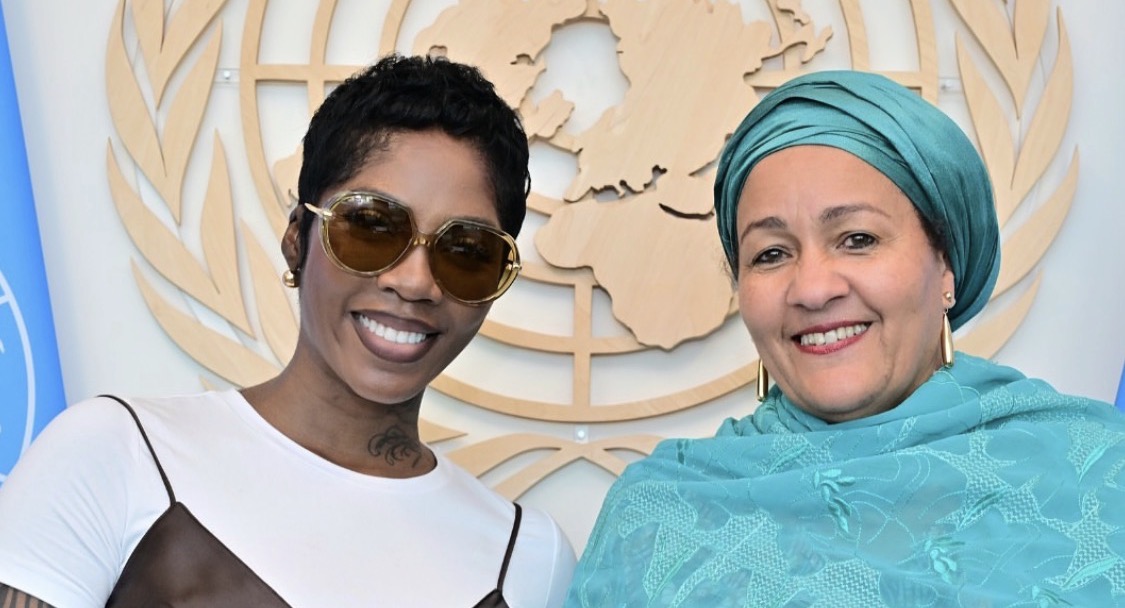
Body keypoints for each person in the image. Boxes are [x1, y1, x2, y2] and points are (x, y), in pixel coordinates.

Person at [0, 54, 575, 607]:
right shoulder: (116, 456)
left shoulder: (527, 556)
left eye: (466, 251)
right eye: (372, 226)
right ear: (297, 236)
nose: (415, 281)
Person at [565, 71, 1125, 607]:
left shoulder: (1099, 472)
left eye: (857, 238)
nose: (812, 289)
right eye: (771, 254)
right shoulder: (661, 512)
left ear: (946, 266)